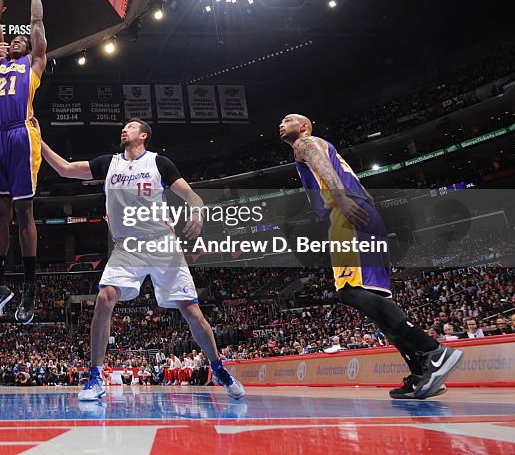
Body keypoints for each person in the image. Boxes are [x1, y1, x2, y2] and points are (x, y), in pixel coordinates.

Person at [38, 117, 245, 401]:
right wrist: (39, 141)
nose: (125, 129)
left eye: (131, 127)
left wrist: (197, 211)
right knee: (103, 299)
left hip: (162, 242)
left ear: (144, 136)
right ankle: (95, 377)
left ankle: (218, 368)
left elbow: (192, 196)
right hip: (127, 247)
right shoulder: (108, 163)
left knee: (191, 311)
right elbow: (65, 168)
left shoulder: (159, 164)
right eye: (124, 126)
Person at [280, 113, 461, 400]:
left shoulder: (304, 143)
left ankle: (433, 351)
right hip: (367, 214)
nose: (282, 123)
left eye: (288, 120)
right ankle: (421, 371)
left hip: (346, 214)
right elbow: (366, 193)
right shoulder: (327, 148)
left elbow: (322, 166)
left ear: (303, 126)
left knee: (350, 291)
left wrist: (340, 201)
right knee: (378, 303)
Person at [0, 0, 47, 324]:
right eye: (14, 38)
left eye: (22, 40)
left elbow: (36, 23)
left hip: (20, 135)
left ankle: (31, 289)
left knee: (23, 214)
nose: (18, 41)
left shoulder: (32, 66)